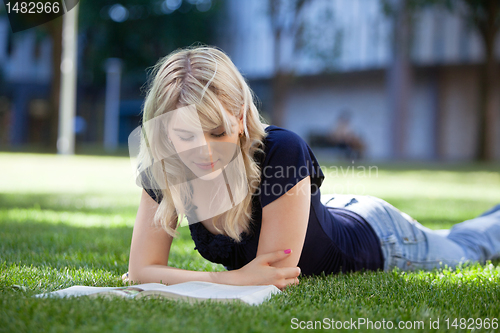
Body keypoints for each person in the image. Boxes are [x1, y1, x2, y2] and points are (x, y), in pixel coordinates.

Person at [125, 45, 500, 290]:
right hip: (316, 209)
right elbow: (142, 271)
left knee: (469, 245)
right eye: (186, 137)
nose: (203, 153)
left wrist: (192, 279)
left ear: (240, 117)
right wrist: (235, 278)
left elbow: (272, 279)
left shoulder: (280, 150)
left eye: (217, 131)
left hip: (381, 237)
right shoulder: (165, 166)